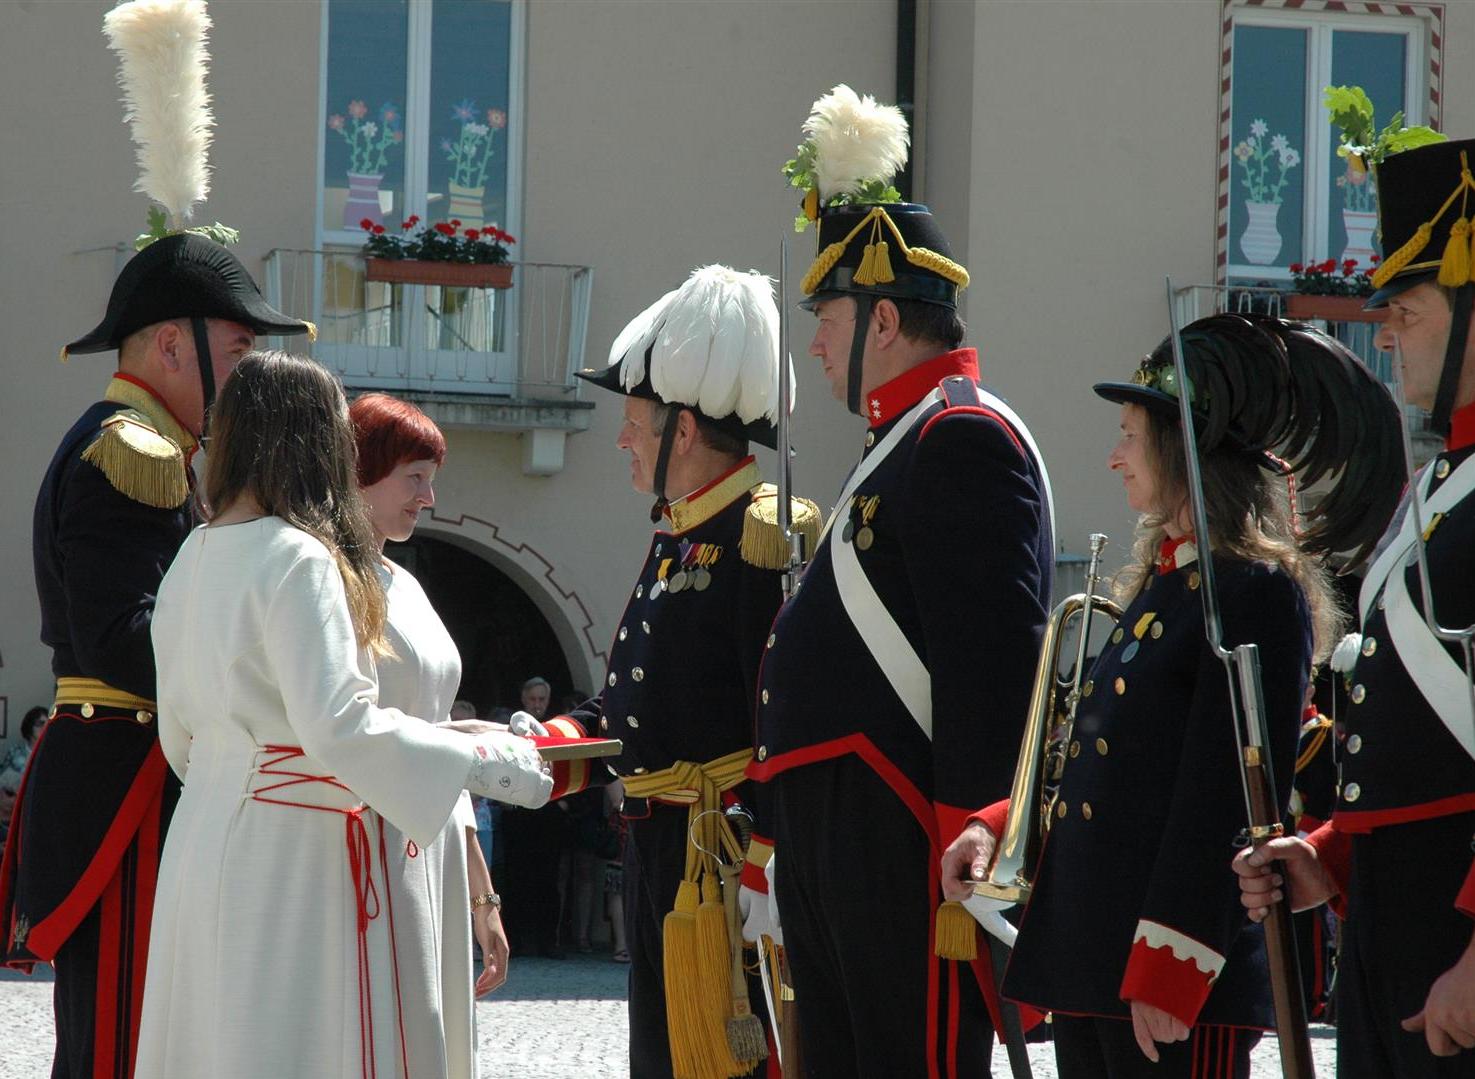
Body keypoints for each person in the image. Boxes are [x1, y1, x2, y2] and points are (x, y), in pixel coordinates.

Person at [943, 315, 1401, 1077]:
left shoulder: (1249, 592)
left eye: (1130, 434)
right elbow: (1108, 767)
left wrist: (1170, 963)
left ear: (1182, 449)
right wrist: (998, 825)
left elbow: (1221, 794)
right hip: (1094, 960)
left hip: (1166, 973)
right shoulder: (1167, 585)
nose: (1113, 455)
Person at [746, 86, 1053, 1076]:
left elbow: (991, 658)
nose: (813, 342)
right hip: (843, 821)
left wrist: (975, 830)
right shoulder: (902, 441)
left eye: (825, 316)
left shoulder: (959, 434)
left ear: (883, 318)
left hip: (899, 827)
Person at [133, 351, 552, 1077]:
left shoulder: (193, 555)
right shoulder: (300, 557)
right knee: (295, 1046)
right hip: (294, 849)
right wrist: (486, 760)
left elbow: (181, 739)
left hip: (204, 834)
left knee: (218, 1043)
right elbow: (340, 725)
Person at [0, 232, 313, 1078]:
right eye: (238, 350)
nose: (248, 375)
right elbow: (125, 640)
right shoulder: (130, 453)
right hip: (128, 777)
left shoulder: (157, 448)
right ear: (172, 345)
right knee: (121, 1043)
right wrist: (263, 678)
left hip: (133, 765)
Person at [1235, 136, 1475, 1075]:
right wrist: (1327, 856)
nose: (1383, 335)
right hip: (1391, 921)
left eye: (1406, 312)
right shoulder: (1439, 486)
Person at [558, 263, 815, 1078]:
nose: (622, 440)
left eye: (634, 422)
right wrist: (543, 744)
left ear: (685, 430)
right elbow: (636, 703)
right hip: (659, 847)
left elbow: (783, 720)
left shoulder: (757, 536)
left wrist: (764, 858)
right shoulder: (681, 533)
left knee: (723, 1061)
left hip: (720, 855)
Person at [349, 390, 510, 1075]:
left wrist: (482, 894)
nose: (429, 496)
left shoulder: (404, 583)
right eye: (414, 477)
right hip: (367, 847)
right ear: (362, 472)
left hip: (435, 845)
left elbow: (440, 732)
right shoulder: (325, 579)